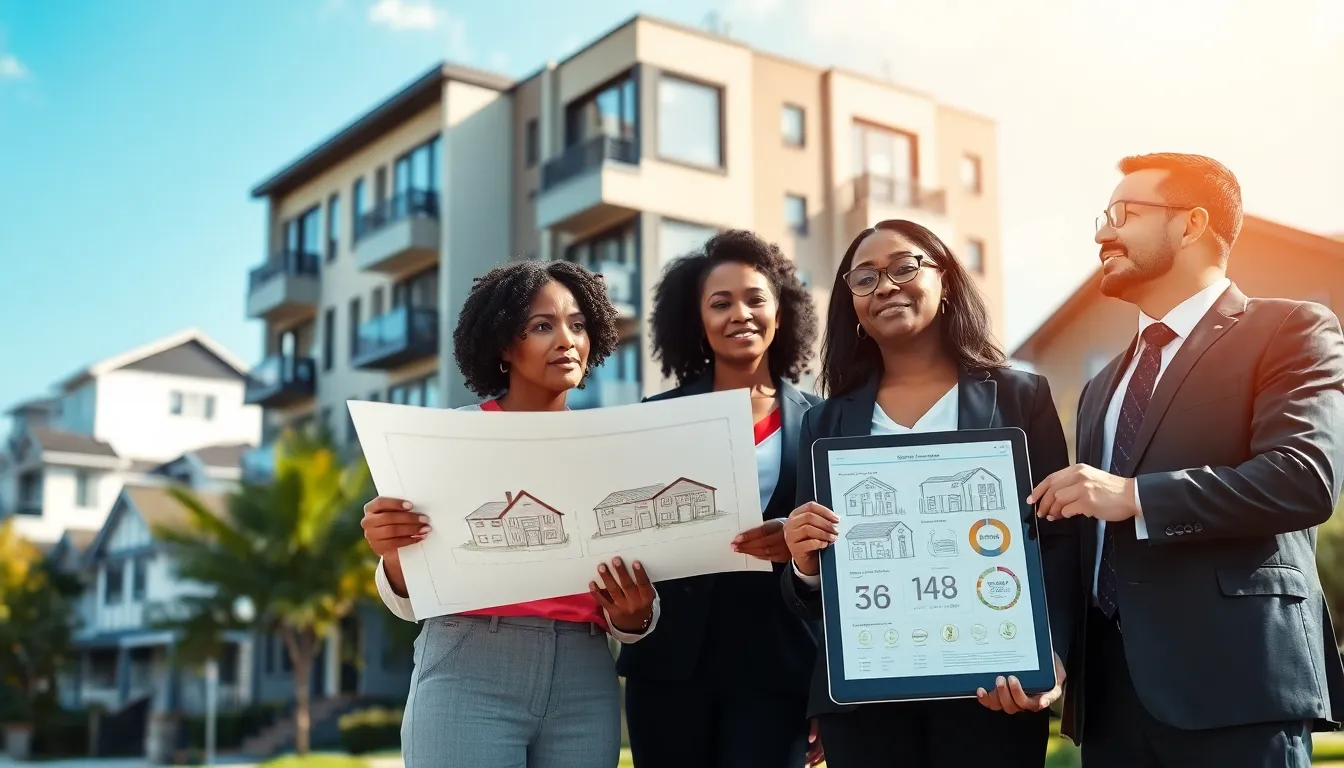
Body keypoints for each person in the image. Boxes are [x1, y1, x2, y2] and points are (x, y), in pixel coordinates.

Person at [1029, 152, 1344, 767]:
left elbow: (1302, 479)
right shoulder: (1101, 389)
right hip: (1111, 701)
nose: (1102, 232)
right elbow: (1084, 539)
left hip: (1237, 686)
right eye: (1103, 216)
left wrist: (1137, 496)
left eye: (1124, 214)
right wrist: (1056, 649)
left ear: (1192, 224)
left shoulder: (1291, 330)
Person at [779, 219, 1074, 768]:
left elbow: (1060, 541)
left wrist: (1049, 654)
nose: (886, 286)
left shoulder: (1020, 396)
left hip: (995, 686)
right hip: (867, 703)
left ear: (947, 279)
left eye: (904, 266)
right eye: (864, 279)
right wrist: (804, 563)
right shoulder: (824, 422)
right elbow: (811, 595)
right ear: (852, 304)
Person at [359, 260, 662, 768]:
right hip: (468, 667)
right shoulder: (446, 441)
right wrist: (392, 555)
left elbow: (645, 586)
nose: (567, 339)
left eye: (578, 324)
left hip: (586, 676)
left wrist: (634, 617)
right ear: (504, 344)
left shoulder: (616, 450)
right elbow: (409, 599)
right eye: (542, 326)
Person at [616, 229, 824, 768]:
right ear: (697, 319)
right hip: (669, 671)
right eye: (720, 302)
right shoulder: (653, 418)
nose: (741, 314)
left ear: (781, 312)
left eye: (756, 298)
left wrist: (827, 688)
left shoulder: (825, 421)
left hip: (781, 670)